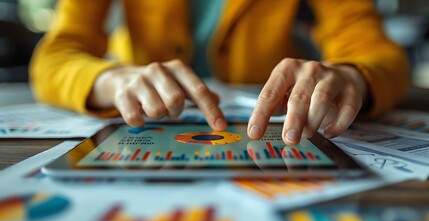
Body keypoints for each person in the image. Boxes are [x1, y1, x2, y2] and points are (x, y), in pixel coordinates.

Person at [30, 0, 409, 145]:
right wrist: (111, 80)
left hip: (271, 133)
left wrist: (351, 75)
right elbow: (56, 55)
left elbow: (376, 51)